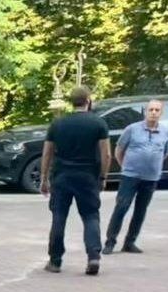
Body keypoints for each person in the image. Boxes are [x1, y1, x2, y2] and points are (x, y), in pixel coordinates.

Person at [40, 86, 111, 275]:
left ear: (71, 102)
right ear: (88, 100)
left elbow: (47, 153)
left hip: (62, 176)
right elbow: (106, 154)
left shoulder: (58, 124)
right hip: (87, 176)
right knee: (90, 216)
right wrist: (103, 177)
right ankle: (93, 256)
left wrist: (44, 178)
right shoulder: (98, 123)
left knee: (59, 217)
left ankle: (55, 261)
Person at [104, 99, 168, 255]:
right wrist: (125, 166)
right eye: (151, 109)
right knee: (122, 207)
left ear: (161, 113)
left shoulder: (166, 131)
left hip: (151, 178)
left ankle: (130, 242)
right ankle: (110, 242)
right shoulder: (132, 129)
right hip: (130, 176)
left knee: (140, 210)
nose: (153, 112)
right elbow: (119, 150)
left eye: (157, 110)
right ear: (145, 111)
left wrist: (153, 164)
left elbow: (165, 152)